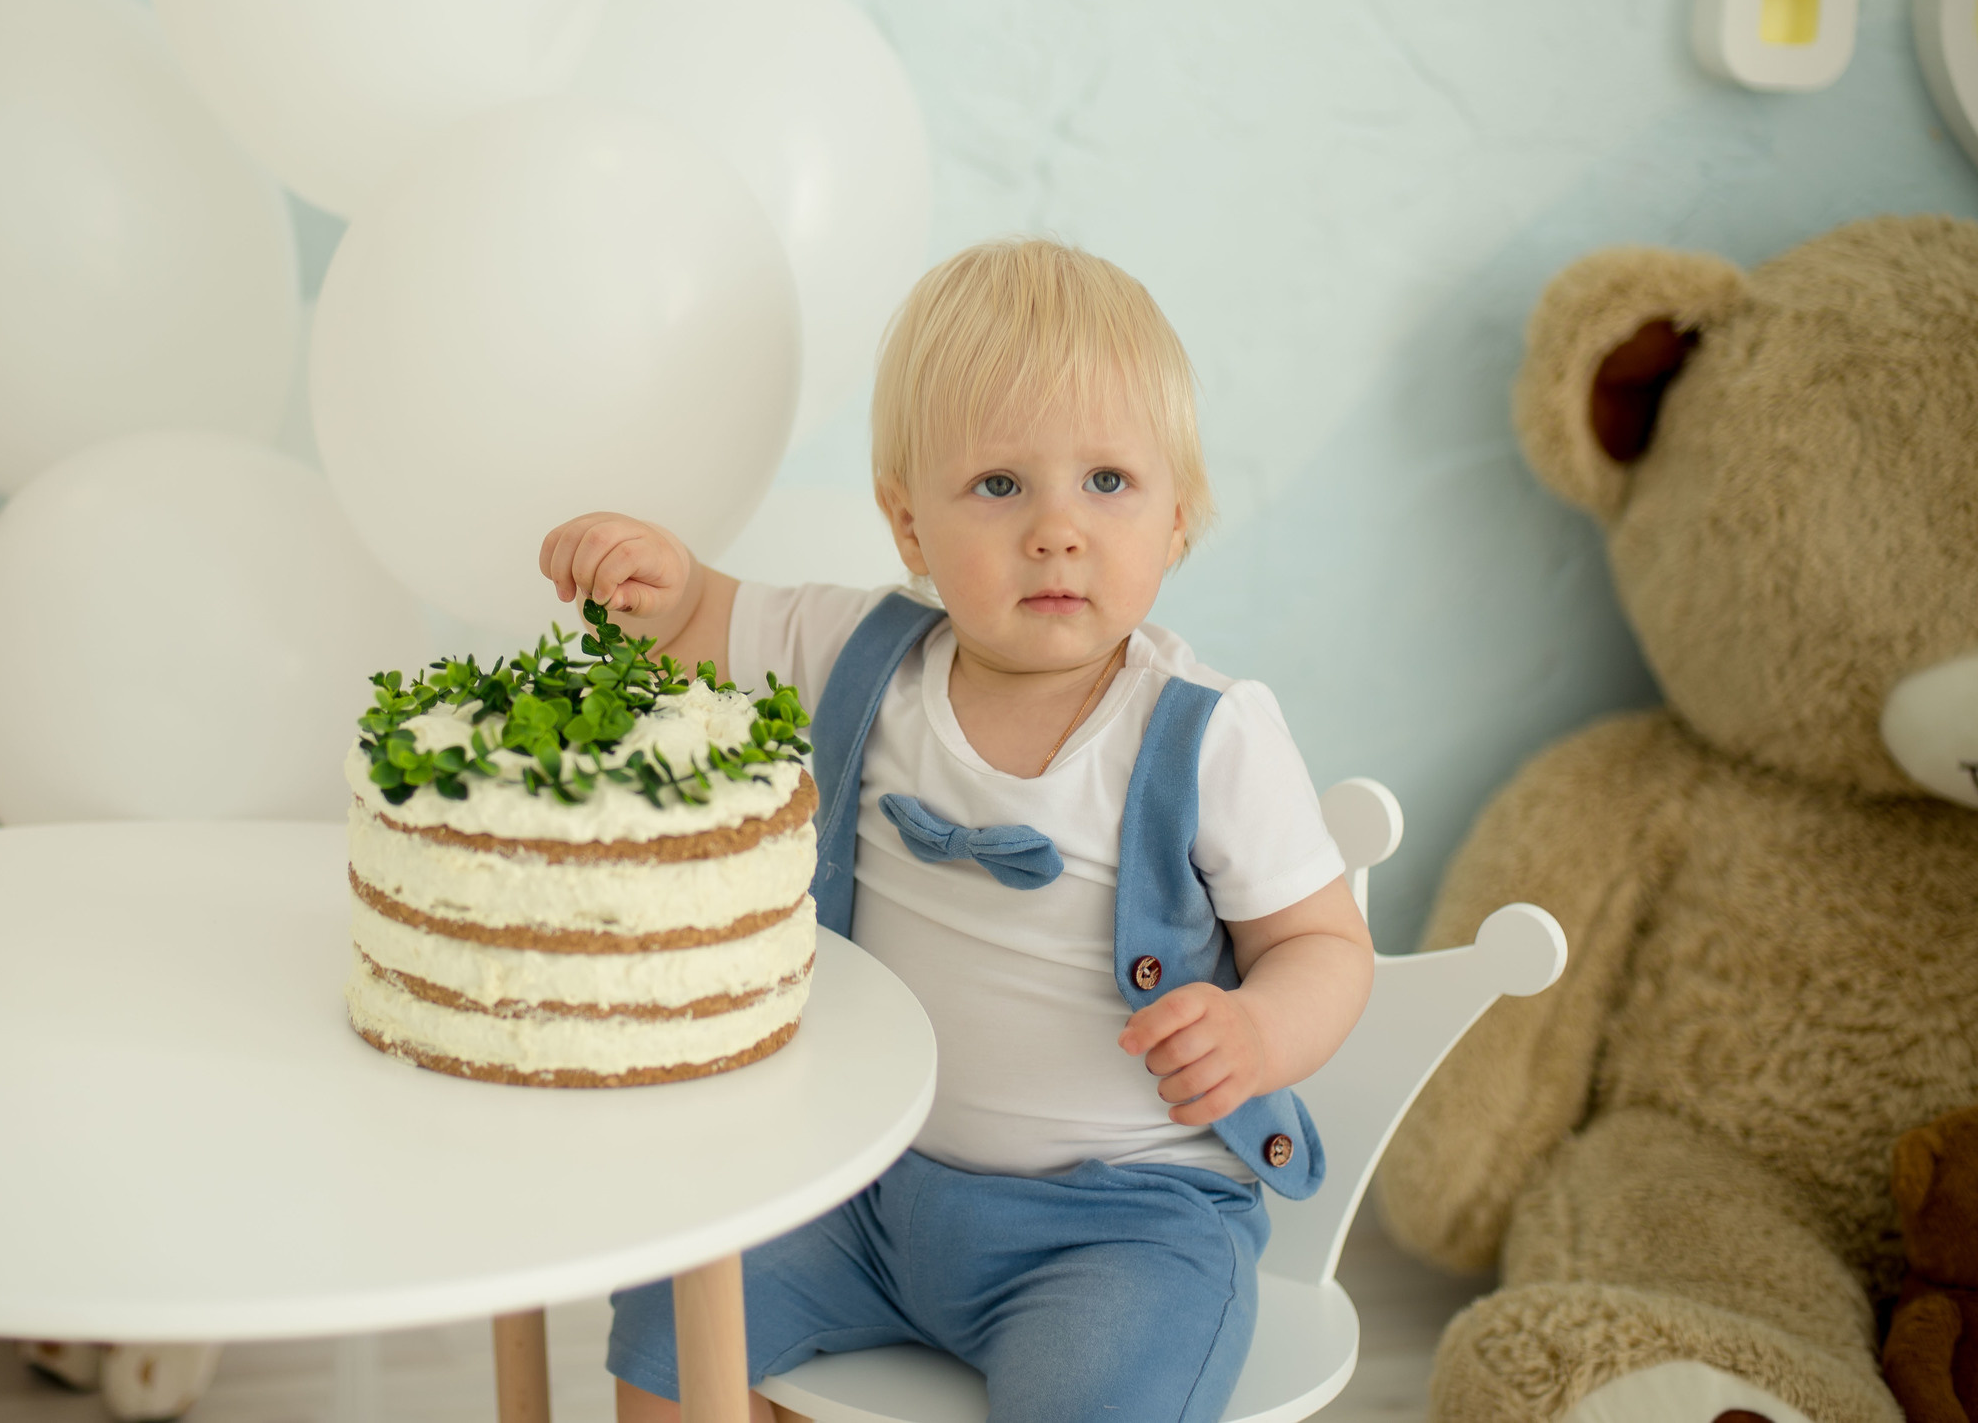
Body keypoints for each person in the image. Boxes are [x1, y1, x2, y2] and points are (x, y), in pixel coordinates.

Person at [538, 237, 1377, 1423]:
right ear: (908, 526)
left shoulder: (1207, 737)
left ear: (1178, 518)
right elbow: (705, 621)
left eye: (1106, 482)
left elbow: (1328, 949)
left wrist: (1257, 1028)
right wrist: (661, 585)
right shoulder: (862, 654)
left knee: (1102, 1396)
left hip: (1123, 1224)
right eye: (998, 486)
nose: (1054, 530)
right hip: (867, 1192)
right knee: (676, 1308)